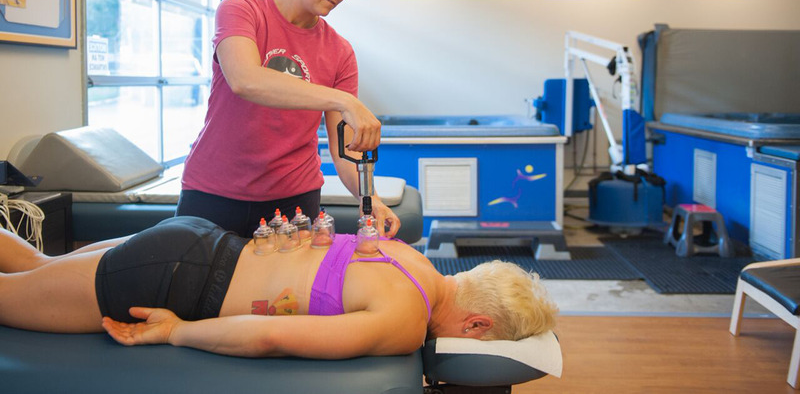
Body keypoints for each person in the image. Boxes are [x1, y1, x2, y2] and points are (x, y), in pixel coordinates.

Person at [0, 217, 558, 359]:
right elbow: (269, 338)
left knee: (33, 262)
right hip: (177, 279)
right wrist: (177, 333)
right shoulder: (407, 322)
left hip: (196, 238)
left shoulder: (409, 254)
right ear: (477, 325)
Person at [177, 0, 399, 238]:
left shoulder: (339, 52)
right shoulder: (242, 9)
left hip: (293, 200)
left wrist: (370, 199)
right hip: (213, 193)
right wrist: (344, 100)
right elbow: (245, 79)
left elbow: (345, 150)